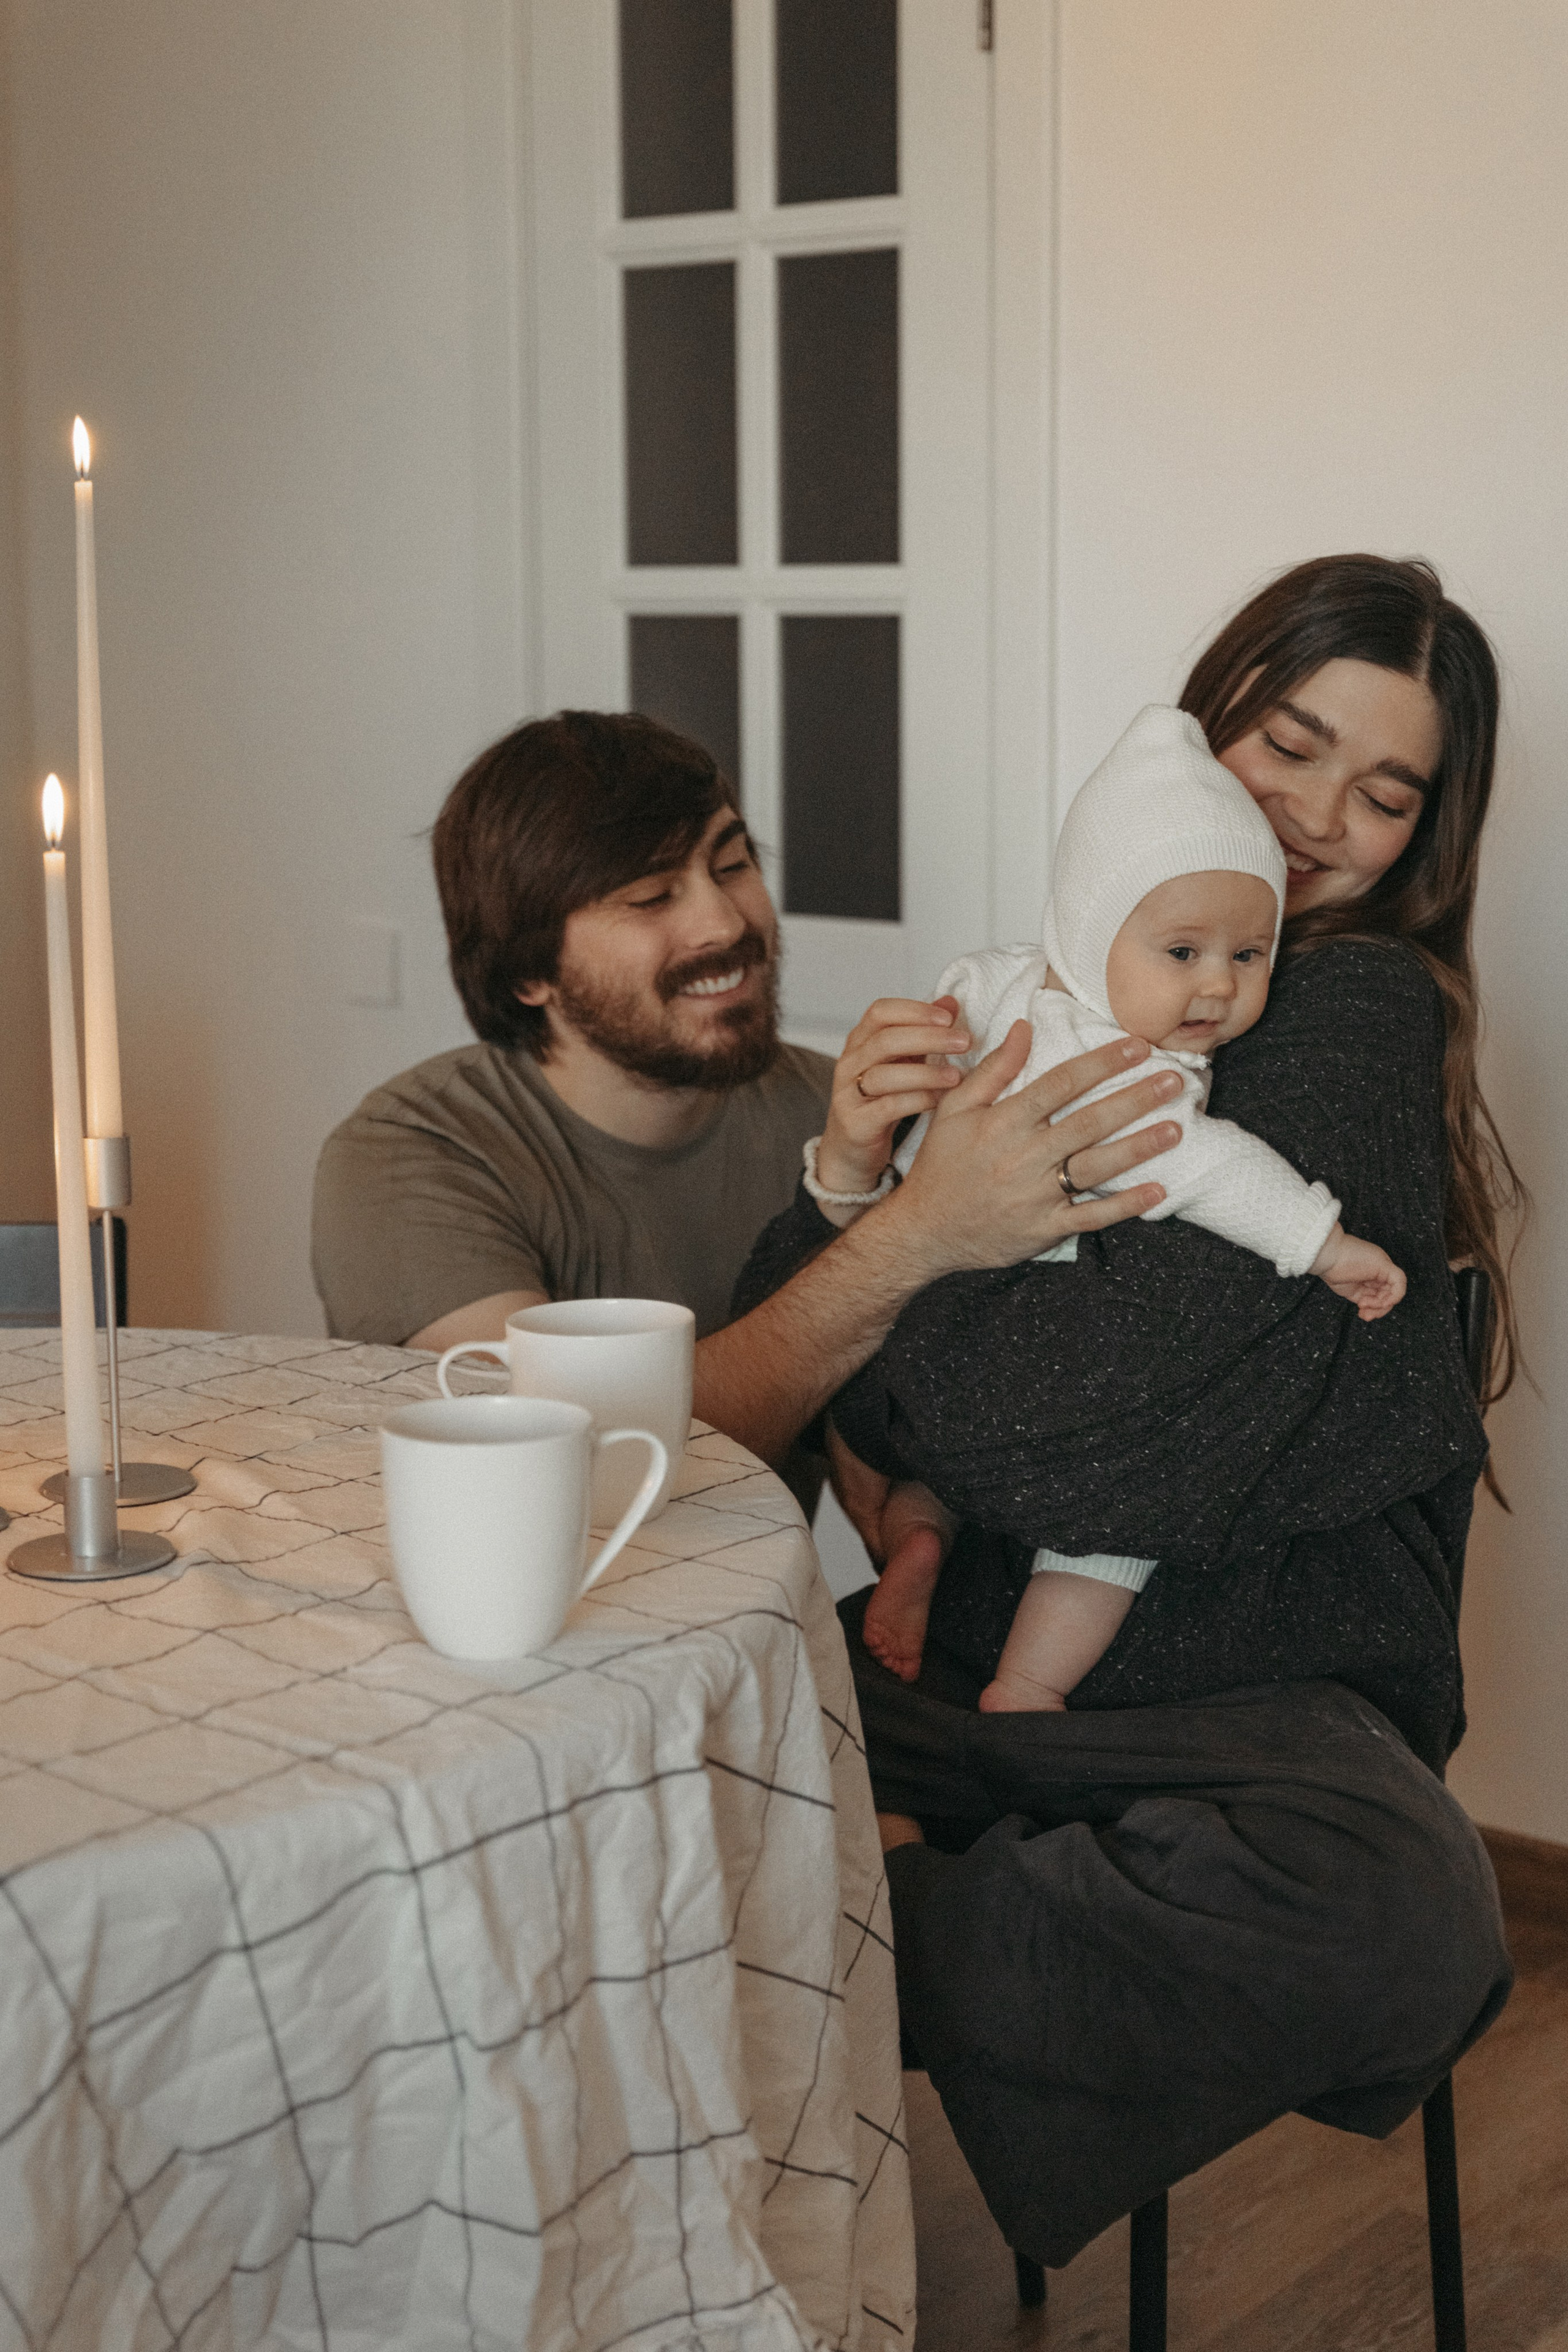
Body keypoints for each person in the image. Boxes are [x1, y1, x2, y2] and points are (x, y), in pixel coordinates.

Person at [733, 554, 1521, 2267]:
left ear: (1426, 837)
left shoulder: (1352, 1004)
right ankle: (855, 1914)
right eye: (1288, 746)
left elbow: (1064, 1433)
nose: (1318, 820)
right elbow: (764, 1374)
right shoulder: (1039, 992)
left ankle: (850, 1928)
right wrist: (853, 1174)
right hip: (974, 1646)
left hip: (1254, 1685)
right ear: (1203, 725)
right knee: (646, 1759)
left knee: (1414, 1926)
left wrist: (928, 1291)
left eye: (1383, 793)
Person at [310, 709, 1186, 1481]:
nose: (726, 923)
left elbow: (895, 1424)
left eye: (731, 865)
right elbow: (583, 1467)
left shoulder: (832, 1114)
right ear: (531, 970)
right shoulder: (409, 1154)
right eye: (653, 897)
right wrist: (916, 1235)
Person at [848, 701, 1405, 1709]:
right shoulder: (1131, 1071)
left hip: (925, 1312)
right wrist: (1325, 1244)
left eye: (1250, 956)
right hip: (1022, 1313)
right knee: (1111, 1539)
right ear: (1096, 924)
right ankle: (1028, 1684)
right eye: (1184, 953)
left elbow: (950, 1020)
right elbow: (1210, 1169)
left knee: (920, 1477)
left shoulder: (997, 979)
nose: (1220, 992)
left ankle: (918, 1541)